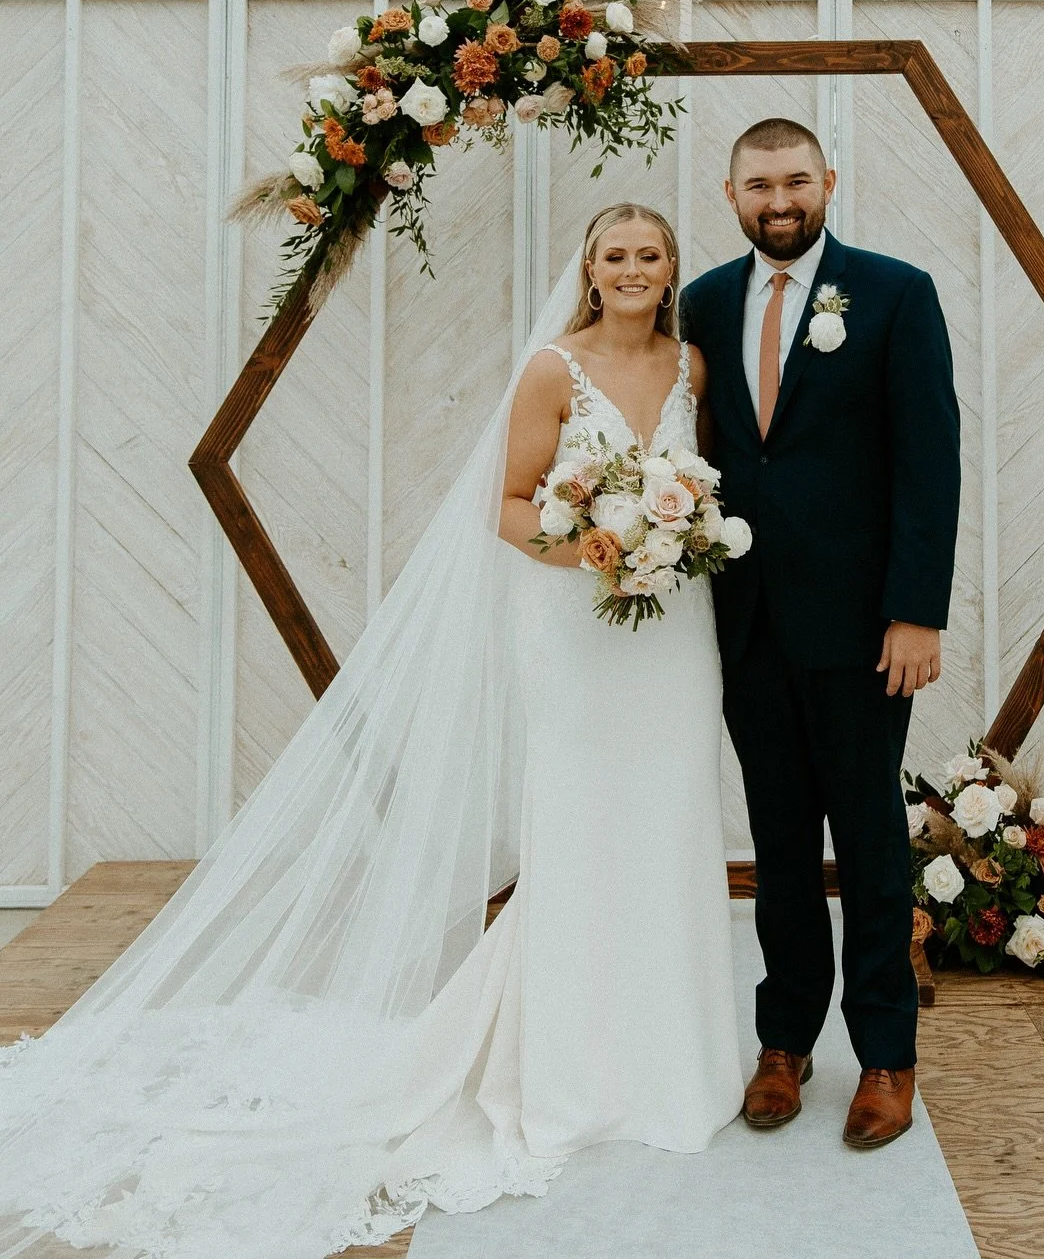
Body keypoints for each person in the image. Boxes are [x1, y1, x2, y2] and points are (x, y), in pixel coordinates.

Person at [0, 203, 742, 1259]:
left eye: (649, 254)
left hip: (673, 632)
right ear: (589, 269)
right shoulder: (552, 369)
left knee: (668, 821)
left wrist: (671, 533)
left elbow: (699, 486)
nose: (632, 268)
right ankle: (574, 1071)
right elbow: (511, 500)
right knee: (578, 824)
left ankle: (675, 1062)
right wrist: (595, 550)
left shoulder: (693, 367)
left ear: (672, 270)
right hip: (576, 627)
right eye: (614, 254)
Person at [680, 117, 962, 1149]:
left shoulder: (894, 293)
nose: (779, 200)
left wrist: (917, 609)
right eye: (759, 185)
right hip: (745, 622)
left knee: (871, 843)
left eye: (796, 180)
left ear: (828, 182)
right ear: (732, 194)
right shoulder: (703, 304)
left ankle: (887, 1052)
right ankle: (784, 1040)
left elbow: (929, 461)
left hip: (863, 627)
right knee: (781, 841)